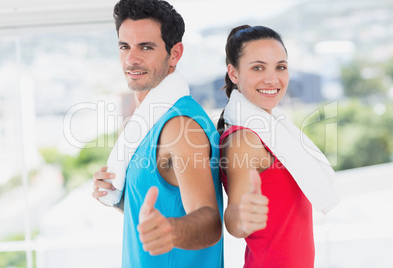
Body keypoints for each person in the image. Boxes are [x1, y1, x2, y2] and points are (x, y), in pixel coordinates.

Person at [92, 1, 224, 267]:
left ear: (175, 54)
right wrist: (117, 198)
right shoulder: (149, 121)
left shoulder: (181, 125)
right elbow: (162, 206)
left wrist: (170, 230)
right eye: (124, 47)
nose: (131, 59)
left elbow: (209, 221)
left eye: (146, 47)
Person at [217, 25, 339, 267]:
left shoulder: (275, 131)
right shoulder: (244, 140)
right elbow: (235, 219)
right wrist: (242, 217)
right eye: (257, 67)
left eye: (280, 67)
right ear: (233, 73)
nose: (272, 79)